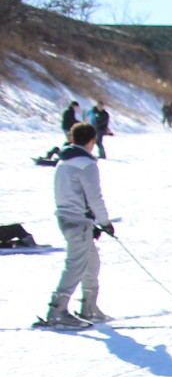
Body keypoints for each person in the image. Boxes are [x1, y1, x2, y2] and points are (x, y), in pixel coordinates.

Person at [38, 122, 116, 328]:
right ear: (92, 141)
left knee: (92, 262)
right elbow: (94, 197)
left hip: (68, 217)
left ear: (72, 139)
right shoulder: (86, 164)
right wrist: (105, 222)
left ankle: (89, 307)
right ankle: (57, 310)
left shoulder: (63, 161)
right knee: (76, 265)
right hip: (77, 221)